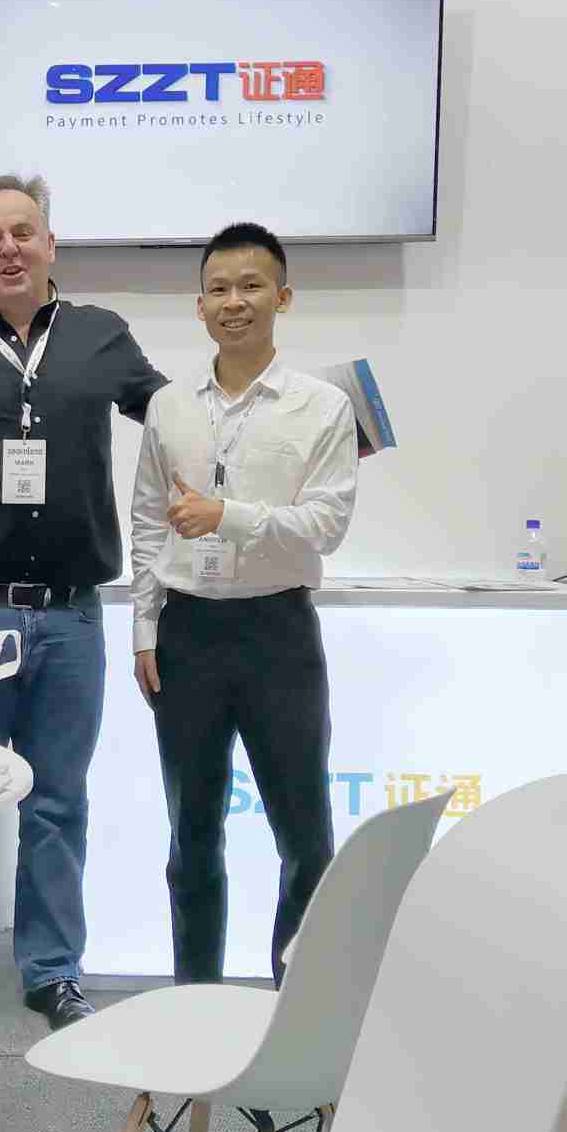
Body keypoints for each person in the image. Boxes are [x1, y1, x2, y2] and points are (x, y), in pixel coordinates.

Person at [0, 176, 166, 1036]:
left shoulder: (100, 336)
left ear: (51, 244)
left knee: (57, 803)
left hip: (71, 615)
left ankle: (53, 971)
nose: (8, 248)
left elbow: (175, 422)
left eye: (23, 232)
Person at [128, 224, 366, 986]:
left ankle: (297, 1005)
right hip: (187, 632)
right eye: (219, 288)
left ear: (282, 297)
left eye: (252, 285)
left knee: (307, 838)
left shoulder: (323, 406)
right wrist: (144, 626)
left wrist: (227, 515)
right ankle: (194, 1000)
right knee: (191, 837)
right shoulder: (168, 406)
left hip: (278, 631)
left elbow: (326, 524)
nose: (235, 301)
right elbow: (146, 520)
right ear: (200, 306)